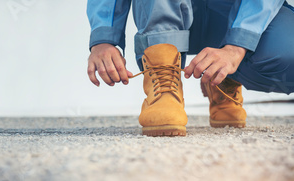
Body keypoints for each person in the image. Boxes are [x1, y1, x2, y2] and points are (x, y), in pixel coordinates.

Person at [86, 0, 294, 136]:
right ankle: (163, 77)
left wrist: (238, 45)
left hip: (234, 11)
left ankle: (223, 77)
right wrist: (104, 37)